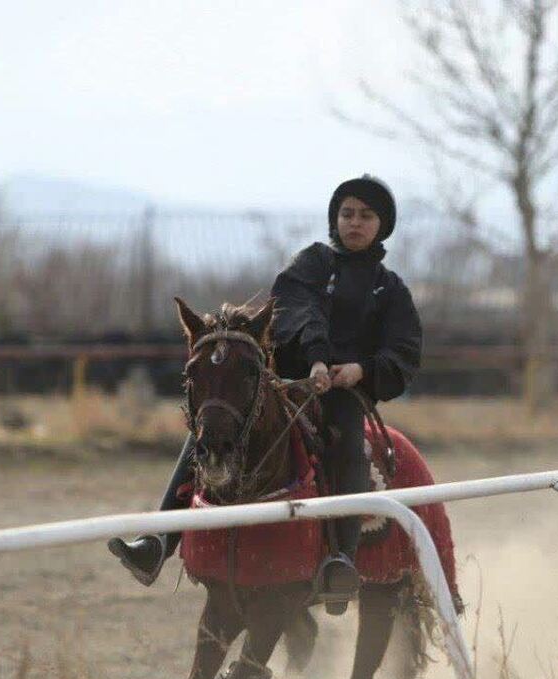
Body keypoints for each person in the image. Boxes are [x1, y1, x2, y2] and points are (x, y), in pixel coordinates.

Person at [108, 174, 422, 613]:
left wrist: (361, 371)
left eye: (366, 216)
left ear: (382, 225)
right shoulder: (312, 263)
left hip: (346, 396)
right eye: (347, 213)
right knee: (208, 430)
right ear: (335, 218)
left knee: (349, 450)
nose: (354, 222)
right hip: (286, 386)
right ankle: (158, 544)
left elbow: (404, 353)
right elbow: (297, 307)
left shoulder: (391, 290)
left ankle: (340, 561)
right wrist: (314, 358)